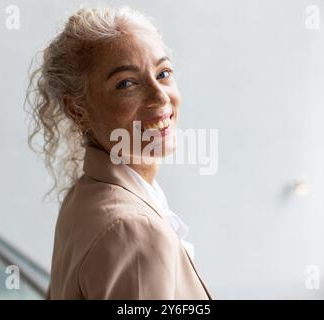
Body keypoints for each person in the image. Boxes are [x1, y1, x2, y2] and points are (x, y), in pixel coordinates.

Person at [26, 6, 212, 300]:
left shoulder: (85, 194)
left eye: (163, 73)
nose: (160, 96)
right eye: (127, 83)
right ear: (78, 108)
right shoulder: (133, 230)